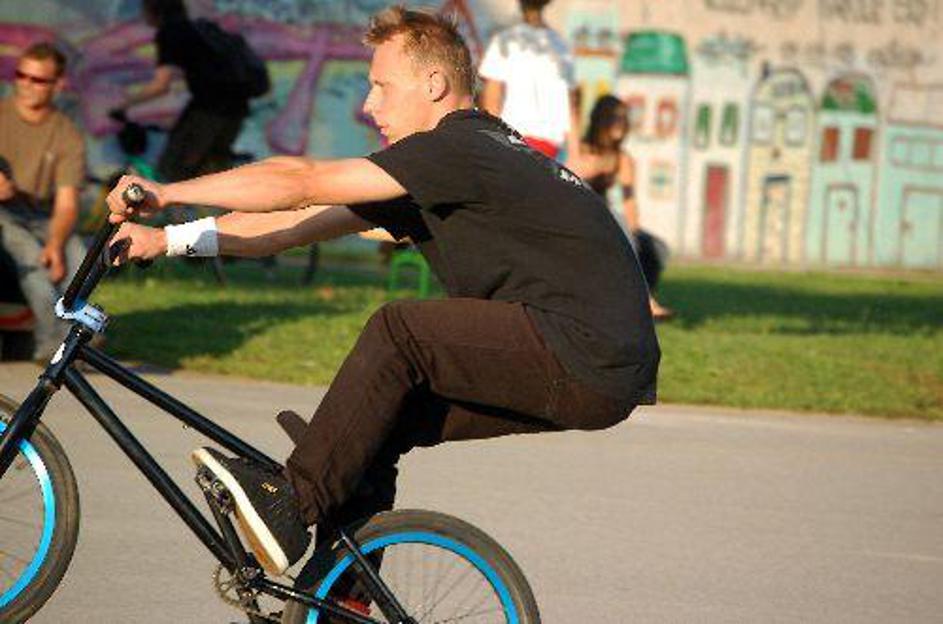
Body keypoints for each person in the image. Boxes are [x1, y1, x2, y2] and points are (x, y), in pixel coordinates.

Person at [107, 6, 660, 577]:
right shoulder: (451, 165)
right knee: (375, 429)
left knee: (401, 331)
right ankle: (341, 599)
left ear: (434, 84)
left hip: (586, 349)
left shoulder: (459, 148)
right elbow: (294, 222)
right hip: (598, 364)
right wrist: (165, 240)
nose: (369, 105)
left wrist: (167, 192)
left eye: (381, 86)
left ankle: (289, 504)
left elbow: (302, 182)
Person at [0, 43, 87, 362]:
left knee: (79, 258)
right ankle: (53, 343)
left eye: (37, 80)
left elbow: (67, 204)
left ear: (57, 85)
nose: (25, 84)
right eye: (21, 75)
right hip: (4, 215)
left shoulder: (67, 134)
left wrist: (55, 243)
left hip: (45, 216)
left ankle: (78, 338)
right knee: (30, 255)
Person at [115, 0, 249, 182]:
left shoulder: (171, 32)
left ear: (155, 11)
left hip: (209, 110)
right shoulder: (198, 30)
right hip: (235, 110)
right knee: (211, 171)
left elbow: (160, 85)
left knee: (173, 172)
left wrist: (123, 106)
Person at [568, 95, 674, 320]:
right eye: (616, 118)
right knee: (617, 222)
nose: (621, 124)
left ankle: (638, 300)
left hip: (604, 219)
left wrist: (635, 234)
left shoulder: (622, 159)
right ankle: (644, 301)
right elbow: (575, 172)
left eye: (625, 119)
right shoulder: (582, 149)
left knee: (657, 248)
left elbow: (629, 199)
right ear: (601, 120)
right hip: (579, 215)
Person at [478, 0, 580, 160]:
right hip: (551, 151)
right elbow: (570, 107)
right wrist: (575, 154)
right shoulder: (561, 46)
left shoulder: (504, 41)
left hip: (513, 146)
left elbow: (493, 99)